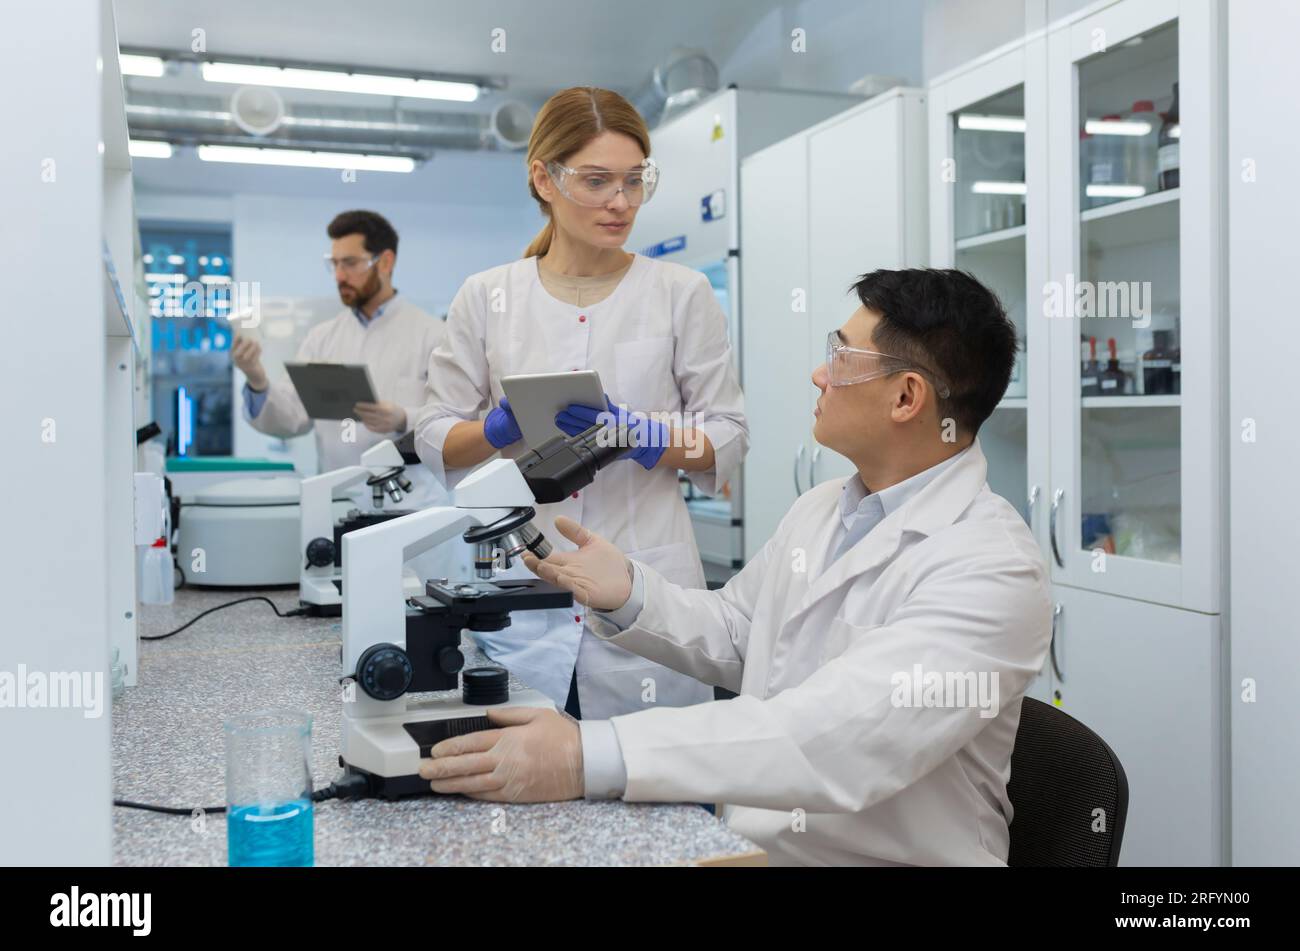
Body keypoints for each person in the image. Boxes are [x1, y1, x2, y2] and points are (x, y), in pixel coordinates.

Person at [417, 268, 1053, 867]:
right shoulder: (825, 507)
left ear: (907, 397)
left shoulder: (990, 567)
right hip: (756, 846)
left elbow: (831, 739)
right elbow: (744, 633)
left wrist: (587, 753)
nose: (818, 375)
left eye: (840, 357)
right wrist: (629, 593)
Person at [414, 87, 748, 721]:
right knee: (525, 785)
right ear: (544, 177)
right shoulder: (487, 296)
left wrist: (643, 435)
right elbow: (434, 435)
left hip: (647, 589)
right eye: (596, 182)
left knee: (661, 792)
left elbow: (728, 434)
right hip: (522, 598)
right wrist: (494, 428)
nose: (620, 203)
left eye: (634, 181)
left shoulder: (681, 292)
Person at [232, 210, 446, 476]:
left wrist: (403, 418)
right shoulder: (321, 339)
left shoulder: (433, 335)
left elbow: (454, 422)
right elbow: (290, 417)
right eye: (334, 264)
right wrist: (257, 379)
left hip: (414, 506)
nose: (339, 276)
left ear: (385, 262)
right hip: (337, 500)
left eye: (350, 263)